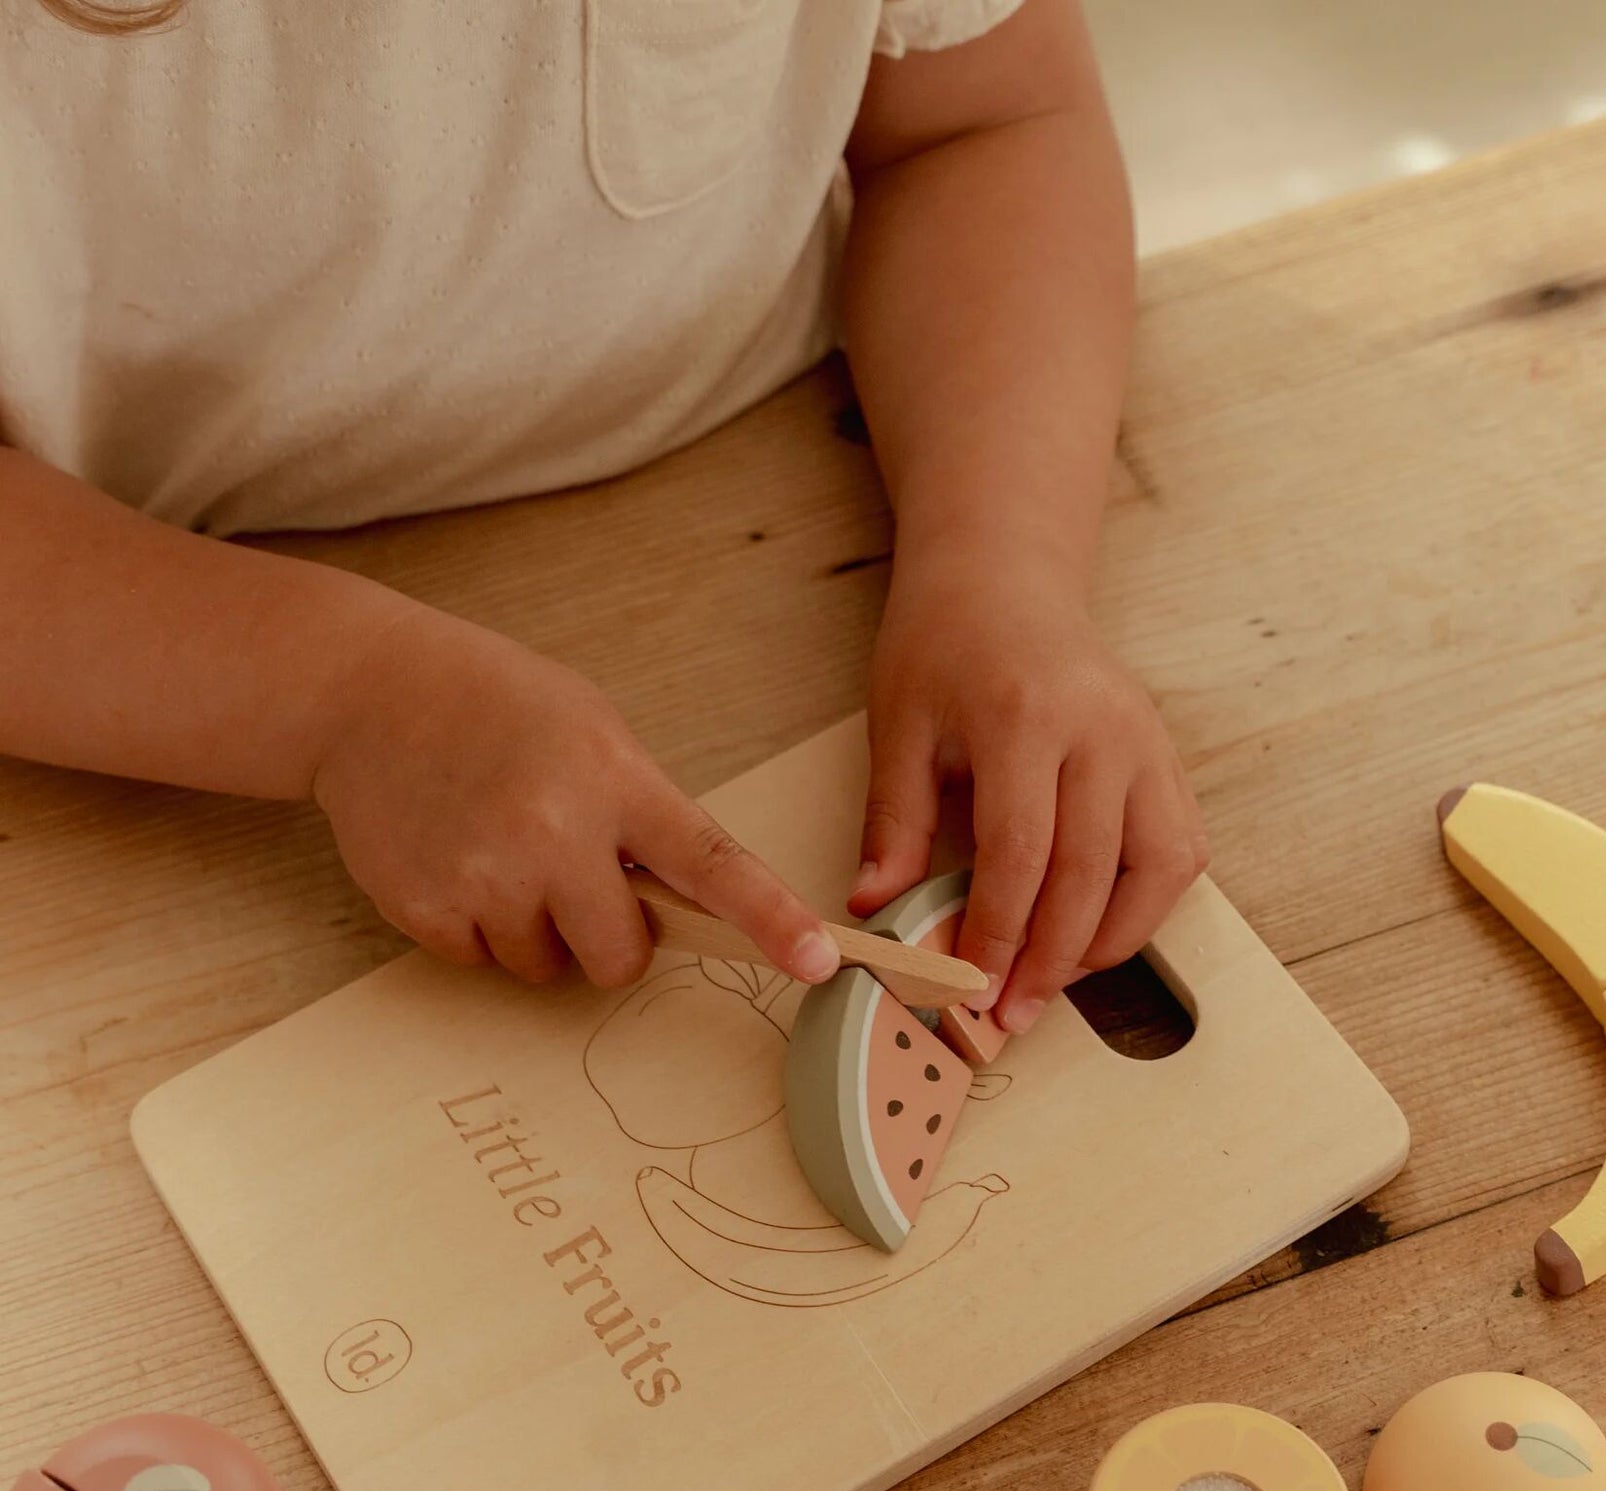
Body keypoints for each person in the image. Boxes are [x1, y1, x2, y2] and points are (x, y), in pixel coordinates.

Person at [0, 0, 1208, 1036]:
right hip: (130, 642)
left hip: (793, 480)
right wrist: (336, 695)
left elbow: (987, 123)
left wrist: (1000, 572)